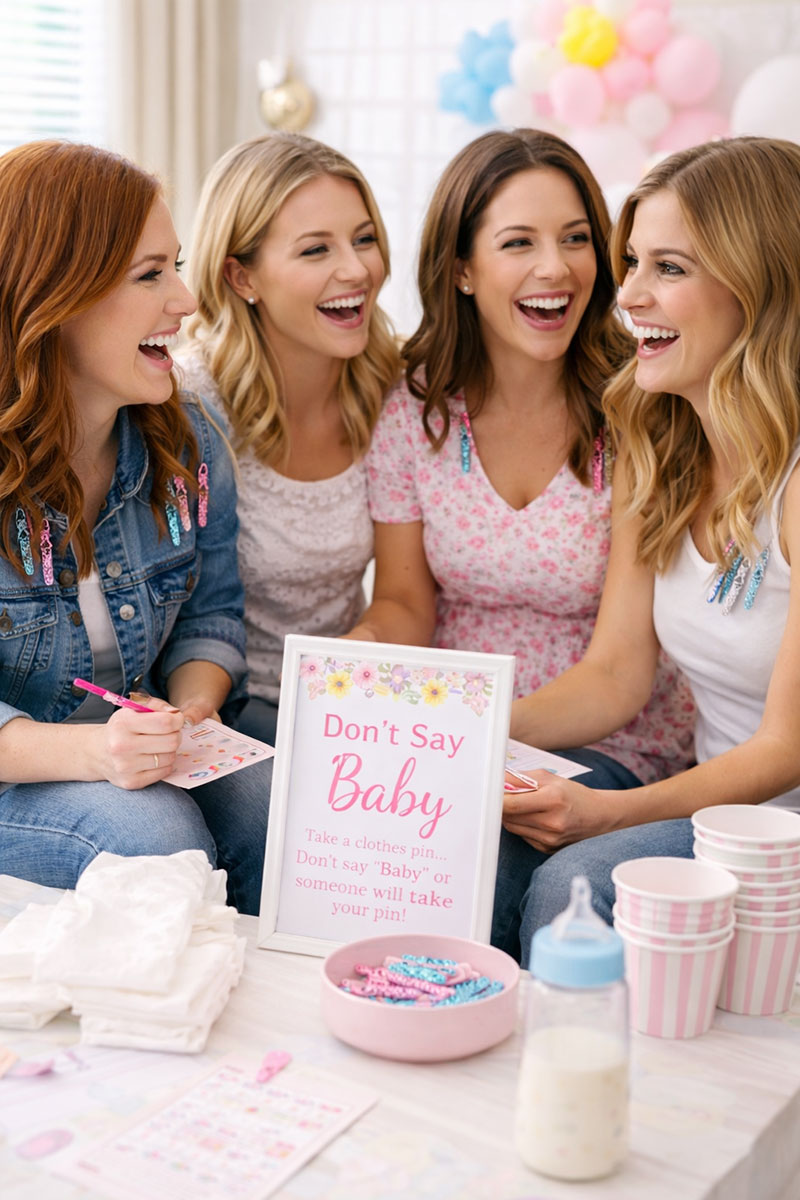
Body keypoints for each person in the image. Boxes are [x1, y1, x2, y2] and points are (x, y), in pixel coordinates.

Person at [346, 129, 694, 903]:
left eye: (577, 239)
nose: (556, 268)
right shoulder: (413, 408)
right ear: (464, 269)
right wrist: (354, 666)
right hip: (457, 739)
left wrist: (468, 736)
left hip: (605, 746)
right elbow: (404, 602)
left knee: (472, 876)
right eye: (519, 242)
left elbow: (619, 674)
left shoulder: (640, 407)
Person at [497, 134, 800, 962]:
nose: (627, 293)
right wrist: (467, 735)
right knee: (486, 856)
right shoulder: (660, 439)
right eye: (631, 261)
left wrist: (609, 814)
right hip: (720, 817)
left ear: (760, 286)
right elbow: (617, 673)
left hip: (779, 837)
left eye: (669, 268)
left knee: (576, 886)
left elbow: (787, 746)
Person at [0, 140, 270, 916]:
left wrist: (191, 708)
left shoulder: (187, 439)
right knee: (152, 834)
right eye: (150, 275)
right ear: (56, 295)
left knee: (279, 808)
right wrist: (94, 751)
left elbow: (211, 617)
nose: (186, 299)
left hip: (136, 754)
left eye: (175, 266)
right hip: (26, 772)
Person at [179, 133, 400, 745]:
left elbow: (403, 596)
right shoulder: (187, 404)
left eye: (364, 239)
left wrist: (346, 670)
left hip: (349, 702)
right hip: (222, 706)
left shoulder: (392, 388)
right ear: (241, 276)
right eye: (315, 250)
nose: (356, 270)